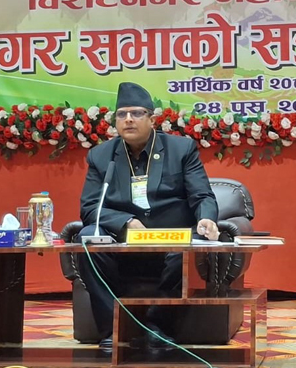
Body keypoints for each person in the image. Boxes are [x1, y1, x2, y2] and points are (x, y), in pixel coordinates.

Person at [76, 82, 220, 353]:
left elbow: (202, 195)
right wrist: (126, 222)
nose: (128, 119)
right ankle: (112, 329)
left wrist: (207, 219)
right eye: (122, 114)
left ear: (152, 120)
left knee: (185, 247)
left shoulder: (181, 149)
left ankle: (158, 326)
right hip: (123, 243)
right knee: (87, 238)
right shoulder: (101, 156)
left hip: (171, 242)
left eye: (136, 113)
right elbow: (91, 206)